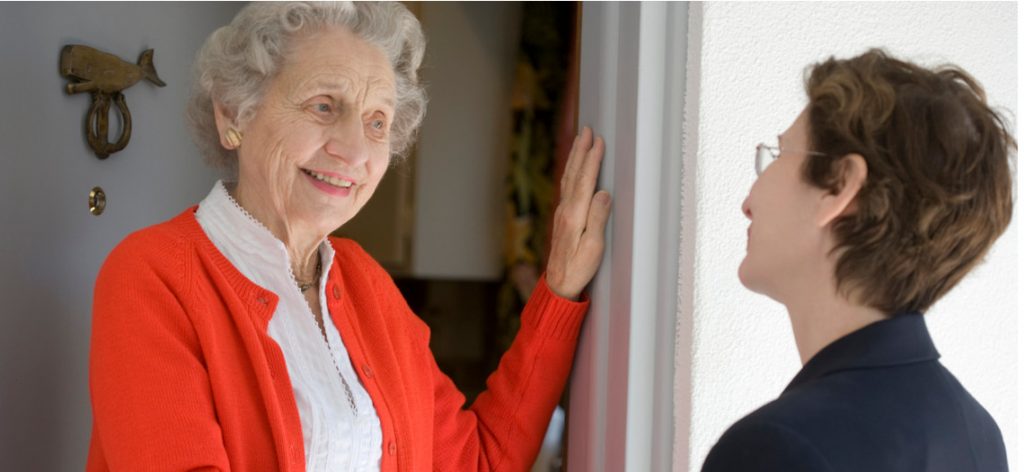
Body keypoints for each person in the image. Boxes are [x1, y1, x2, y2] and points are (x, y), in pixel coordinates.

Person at [86, 3, 611, 471]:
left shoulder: (366, 284)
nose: (355, 151)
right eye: (323, 106)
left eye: (377, 122)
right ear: (233, 114)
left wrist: (558, 292)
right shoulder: (152, 276)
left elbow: (478, 460)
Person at [702, 49, 1013, 471]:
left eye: (779, 153)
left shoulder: (774, 447)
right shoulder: (978, 433)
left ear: (841, 188)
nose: (748, 202)